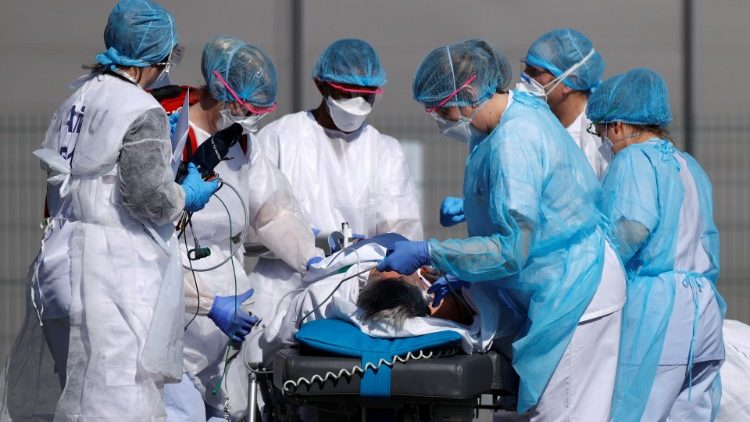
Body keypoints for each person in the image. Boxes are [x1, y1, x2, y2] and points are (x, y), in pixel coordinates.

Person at [378, 39, 626, 421]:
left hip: (578, 288)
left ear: (470, 93)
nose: (442, 120)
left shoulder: (515, 139)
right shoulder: (512, 116)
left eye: (442, 109)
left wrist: (432, 253)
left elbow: (512, 249)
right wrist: (460, 271)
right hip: (563, 279)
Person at [15, 0, 219, 419]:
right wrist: (185, 194)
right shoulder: (140, 109)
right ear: (150, 58)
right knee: (120, 403)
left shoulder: (76, 99)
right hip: (111, 279)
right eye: (166, 58)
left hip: (59, 268)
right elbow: (150, 198)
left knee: (74, 398)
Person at [153, 35, 321, 421]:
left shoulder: (243, 144)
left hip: (228, 323)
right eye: (244, 108)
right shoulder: (171, 134)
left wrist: (313, 260)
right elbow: (149, 246)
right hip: (178, 314)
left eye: (257, 112)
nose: (250, 119)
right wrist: (206, 304)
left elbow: (272, 212)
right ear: (218, 91)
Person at [251, 38, 423, 360]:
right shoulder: (279, 138)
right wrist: (308, 245)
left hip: (354, 298)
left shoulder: (385, 151)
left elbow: (403, 235)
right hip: (280, 290)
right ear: (320, 85)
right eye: (346, 93)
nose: (357, 103)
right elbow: (251, 221)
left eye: (367, 95)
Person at [588, 68, 726, 421]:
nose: (601, 140)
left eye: (600, 129)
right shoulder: (687, 164)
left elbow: (631, 230)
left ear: (616, 127)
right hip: (704, 312)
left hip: (658, 314)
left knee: (637, 412)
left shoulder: (635, 159)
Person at [518, 28, 610, 178]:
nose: (525, 78)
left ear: (569, 82)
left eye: (534, 72)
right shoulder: (535, 125)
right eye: (526, 68)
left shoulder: (600, 136)